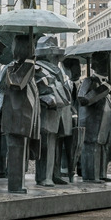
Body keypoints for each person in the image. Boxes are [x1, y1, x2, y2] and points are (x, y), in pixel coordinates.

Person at [0, 34, 40, 194]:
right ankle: (15, 185)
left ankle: (19, 183)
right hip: (16, 119)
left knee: (21, 152)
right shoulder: (13, 69)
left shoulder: (28, 68)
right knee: (16, 152)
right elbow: (17, 83)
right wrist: (29, 63)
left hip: (25, 120)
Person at [33, 36, 74, 186]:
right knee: (47, 145)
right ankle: (44, 176)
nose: (58, 57)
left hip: (61, 113)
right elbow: (36, 89)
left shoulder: (57, 70)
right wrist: (47, 98)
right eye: (55, 53)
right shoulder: (38, 68)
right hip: (47, 112)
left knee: (57, 145)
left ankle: (55, 174)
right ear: (49, 54)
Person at [78, 52, 111, 183]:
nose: (110, 66)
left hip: (104, 123)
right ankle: (90, 175)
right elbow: (83, 99)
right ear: (96, 65)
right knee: (91, 148)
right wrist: (104, 89)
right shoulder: (89, 81)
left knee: (103, 148)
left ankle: (101, 173)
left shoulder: (107, 84)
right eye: (107, 62)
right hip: (91, 123)